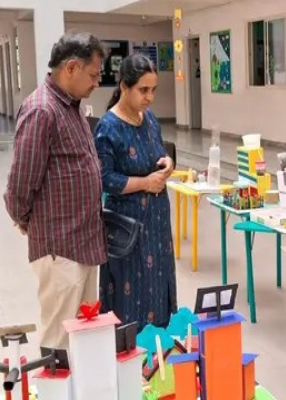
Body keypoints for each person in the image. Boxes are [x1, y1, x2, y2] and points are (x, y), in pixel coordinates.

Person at [4, 32, 106, 350]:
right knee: (59, 340)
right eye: (93, 75)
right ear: (71, 68)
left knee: (84, 335)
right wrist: (25, 219)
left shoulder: (71, 107)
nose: (97, 82)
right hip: (60, 247)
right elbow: (21, 182)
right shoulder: (42, 110)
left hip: (83, 241)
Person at [94, 53, 176, 329]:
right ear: (124, 87)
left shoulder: (149, 118)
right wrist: (145, 183)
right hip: (129, 228)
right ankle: (130, 350)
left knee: (158, 286)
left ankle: (158, 349)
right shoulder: (108, 127)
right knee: (130, 297)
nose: (149, 97)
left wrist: (168, 162)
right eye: (143, 90)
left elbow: (158, 153)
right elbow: (105, 179)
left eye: (153, 90)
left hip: (157, 224)